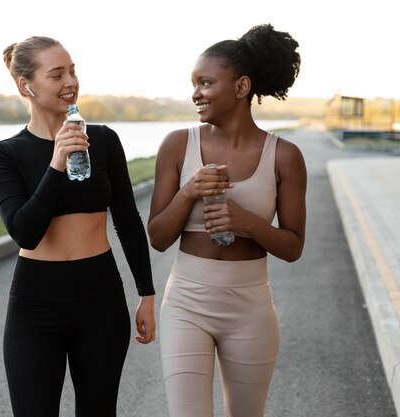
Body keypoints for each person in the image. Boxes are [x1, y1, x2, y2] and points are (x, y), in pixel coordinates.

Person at [0, 36, 156, 417]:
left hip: (101, 301)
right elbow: (24, 231)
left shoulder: (104, 139)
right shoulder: (6, 153)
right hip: (36, 306)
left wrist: (146, 294)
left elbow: (128, 220)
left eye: (73, 70)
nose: (71, 81)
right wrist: (56, 163)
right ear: (25, 85)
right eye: (57, 74)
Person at [148, 24, 307, 417]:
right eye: (193, 84)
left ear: (241, 87)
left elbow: (293, 247)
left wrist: (245, 222)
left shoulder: (284, 156)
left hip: (251, 308)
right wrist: (189, 192)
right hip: (186, 303)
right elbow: (157, 236)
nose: (195, 94)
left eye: (205, 83)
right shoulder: (177, 145)